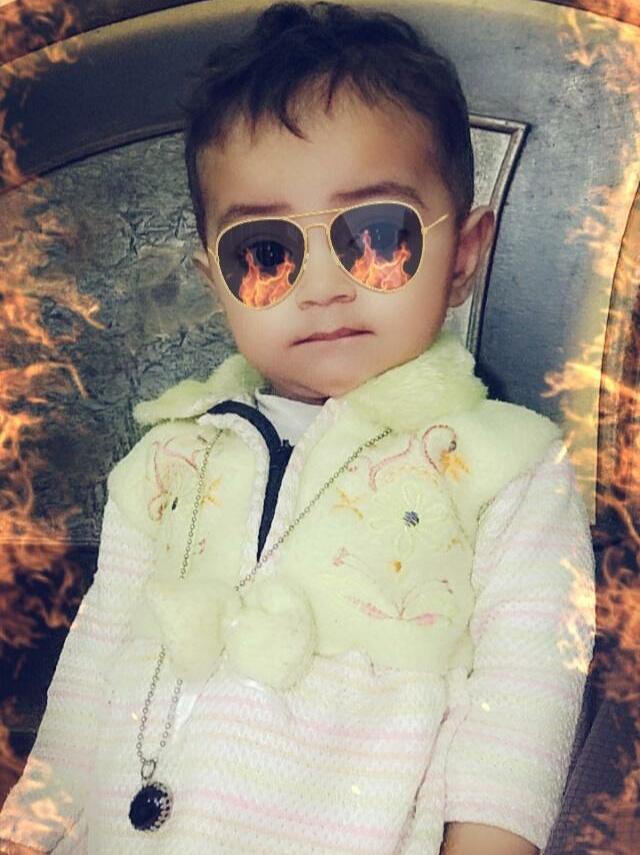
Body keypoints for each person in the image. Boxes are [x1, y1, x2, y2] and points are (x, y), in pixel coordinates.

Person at [0, 2, 595, 853]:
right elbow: (92, 668)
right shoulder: (168, 457)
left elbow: (525, 698)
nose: (322, 286)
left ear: (462, 255)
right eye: (267, 253)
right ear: (216, 283)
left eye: (378, 236)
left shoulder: (505, 466)